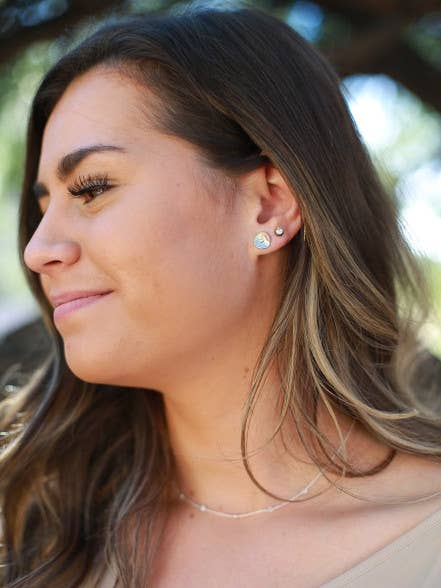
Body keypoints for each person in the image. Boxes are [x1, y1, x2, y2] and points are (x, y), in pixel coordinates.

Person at [1, 5, 441, 587]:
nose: (38, 250)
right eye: (42, 208)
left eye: (92, 188)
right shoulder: (33, 538)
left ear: (268, 205)